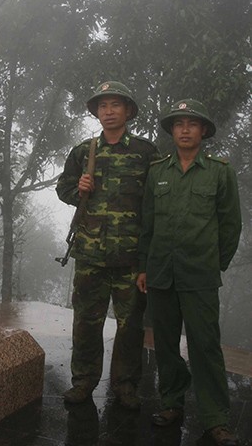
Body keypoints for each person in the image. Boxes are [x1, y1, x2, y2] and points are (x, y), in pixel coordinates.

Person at [137, 99, 242, 446]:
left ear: (204, 132)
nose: (184, 129)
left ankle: (215, 418)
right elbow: (147, 225)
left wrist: (214, 263)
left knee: (205, 346)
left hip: (199, 276)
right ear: (172, 131)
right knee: (165, 345)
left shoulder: (219, 171)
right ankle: (171, 403)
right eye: (178, 124)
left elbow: (230, 226)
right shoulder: (158, 172)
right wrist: (143, 267)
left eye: (192, 124)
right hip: (162, 274)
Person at [56, 81, 158, 407]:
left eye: (115, 105)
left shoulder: (145, 153)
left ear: (127, 111)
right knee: (86, 322)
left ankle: (125, 385)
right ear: (97, 112)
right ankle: (83, 381)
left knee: (130, 327)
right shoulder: (83, 152)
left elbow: (155, 201)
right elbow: (64, 189)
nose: (109, 111)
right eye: (103, 106)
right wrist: (79, 188)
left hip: (129, 257)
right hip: (91, 254)